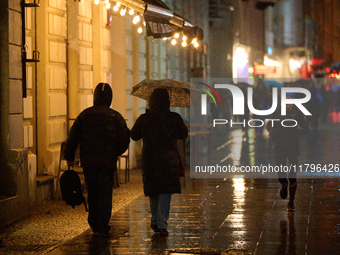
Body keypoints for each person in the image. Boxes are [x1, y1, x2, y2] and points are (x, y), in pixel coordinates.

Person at [64, 83, 130, 237]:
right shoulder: (116, 116)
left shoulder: (85, 115)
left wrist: (69, 155)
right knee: (106, 192)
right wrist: (116, 152)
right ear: (110, 98)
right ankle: (103, 223)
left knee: (93, 191)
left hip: (89, 162)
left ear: (95, 97)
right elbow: (124, 139)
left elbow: (73, 137)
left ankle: (93, 222)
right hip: (107, 163)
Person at [130, 88, 188, 236]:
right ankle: (162, 224)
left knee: (153, 190)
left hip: (151, 160)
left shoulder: (146, 118)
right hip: (169, 161)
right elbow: (183, 134)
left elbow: (134, 135)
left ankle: (155, 220)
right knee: (165, 192)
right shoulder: (174, 117)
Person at [266, 95, 309, 211]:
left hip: (293, 146)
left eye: (289, 103)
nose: (287, 105)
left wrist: (297, 133)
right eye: (285, 103)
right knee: (280, 169)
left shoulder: (297, 113)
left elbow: (306, 128)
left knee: (292, 174)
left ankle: (291, 202)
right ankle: (283, 184)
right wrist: (273, 131)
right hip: (279, 145)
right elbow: (269, 125)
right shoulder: (277, 112)